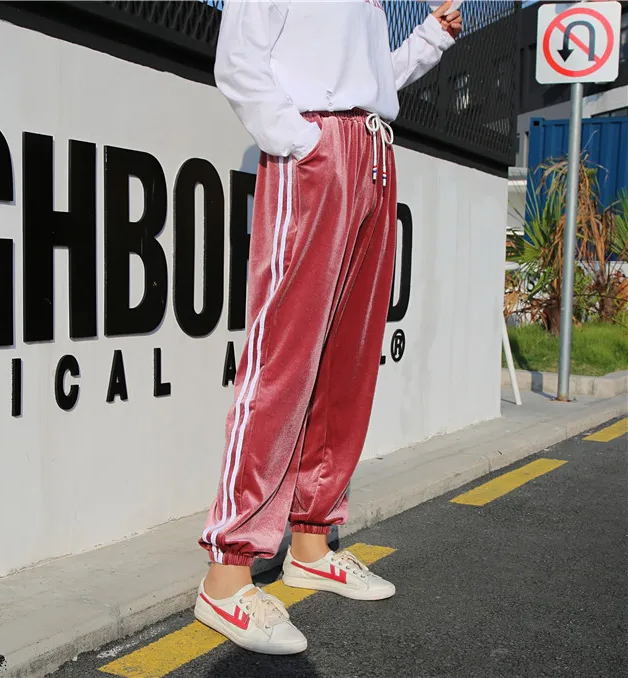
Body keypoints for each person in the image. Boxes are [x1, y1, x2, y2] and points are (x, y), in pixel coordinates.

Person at [194, 0, 462, 655]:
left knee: (347, 366)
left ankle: (310, 545)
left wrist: (430, 38)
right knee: (281, 361)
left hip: (373, 153)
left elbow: (365, 78)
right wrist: (302, 142)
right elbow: (239, 60)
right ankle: (227, 575)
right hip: (317, 152)